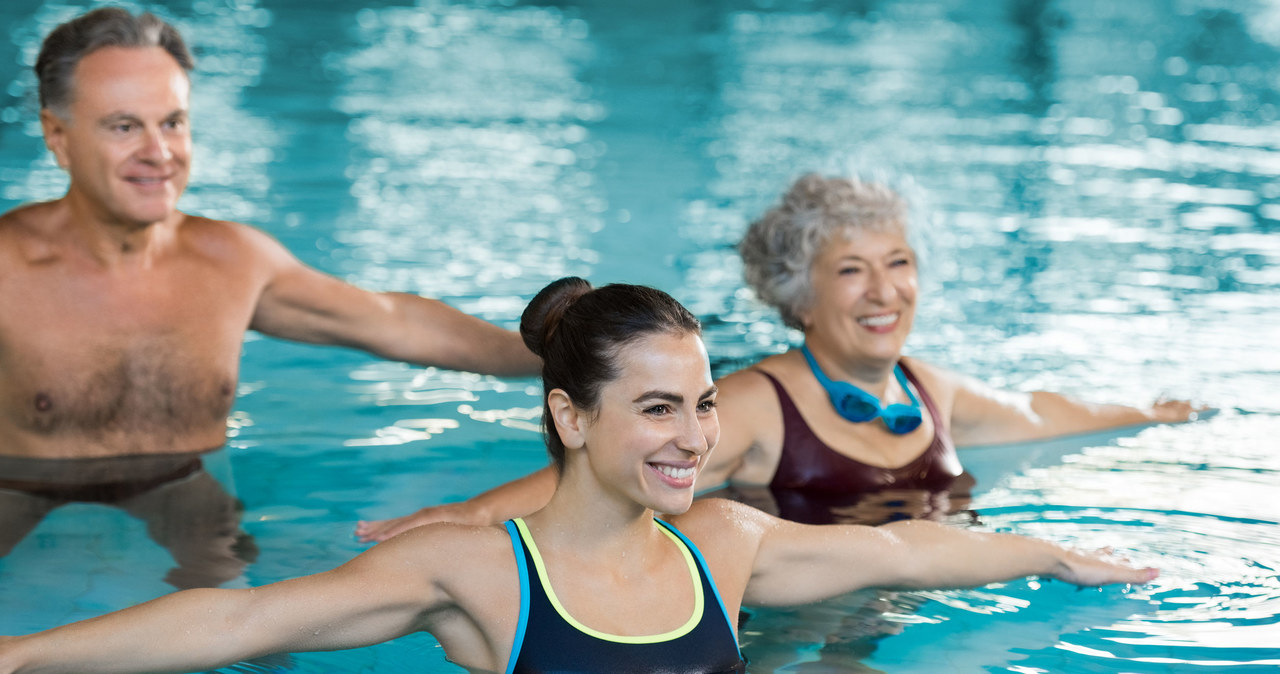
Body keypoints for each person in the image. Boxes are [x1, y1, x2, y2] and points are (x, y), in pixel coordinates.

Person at [0, 278, 1159, 674]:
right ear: (568, 414)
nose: (693, 436)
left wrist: (1055, 552)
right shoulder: (479, 574)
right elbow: (233, 622)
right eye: (656, 408)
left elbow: (911, 551)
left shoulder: (718, 544)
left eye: (702, 403)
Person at [357, 172, 1200, 540]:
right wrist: (445, 522)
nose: (884, 292)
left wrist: (1151, 414)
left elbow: (1038, 415)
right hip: (794, 633)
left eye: (898, 264)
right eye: (851, 271)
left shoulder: (927, 388)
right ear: (799, 296)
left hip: (913, 606)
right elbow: (593, 479)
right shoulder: (754, 406)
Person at [0, 8, 537, 582]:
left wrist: (551, 354)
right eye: (124, 126)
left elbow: (393, 321)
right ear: (57, 136)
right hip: (20, 488)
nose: (159, 153)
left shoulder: (231, 262)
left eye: (174, 123)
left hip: (183, 488)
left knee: (259, 656)